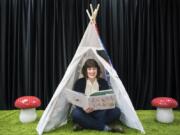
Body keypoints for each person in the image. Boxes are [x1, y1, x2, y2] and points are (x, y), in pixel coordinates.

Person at [71, 59, 124, 133]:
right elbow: (76, 100)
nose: (92, 71)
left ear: (97, 70)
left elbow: (106, 100)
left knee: (116, 111)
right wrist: (84, 107)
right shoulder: (79, 82)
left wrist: (101, 105)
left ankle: (83, 124)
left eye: (94, 69)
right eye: (89, 69)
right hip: (85, 112)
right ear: (85, 70)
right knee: (75, 113)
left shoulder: (103, 82)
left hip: (100, 112)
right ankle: (106, 127)